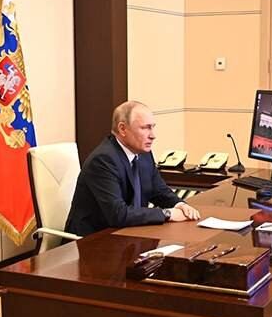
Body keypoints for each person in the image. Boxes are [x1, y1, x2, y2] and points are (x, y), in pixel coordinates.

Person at [65, 101, 201, 237]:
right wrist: (167, 214)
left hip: (128, 234)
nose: (152, 135)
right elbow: (118, 214)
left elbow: (158, 190)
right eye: (145, 128)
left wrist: (179, 205)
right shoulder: (103, 160)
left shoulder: (143, 154)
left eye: (152, 127)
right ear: (122, 129)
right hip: (93, 240)